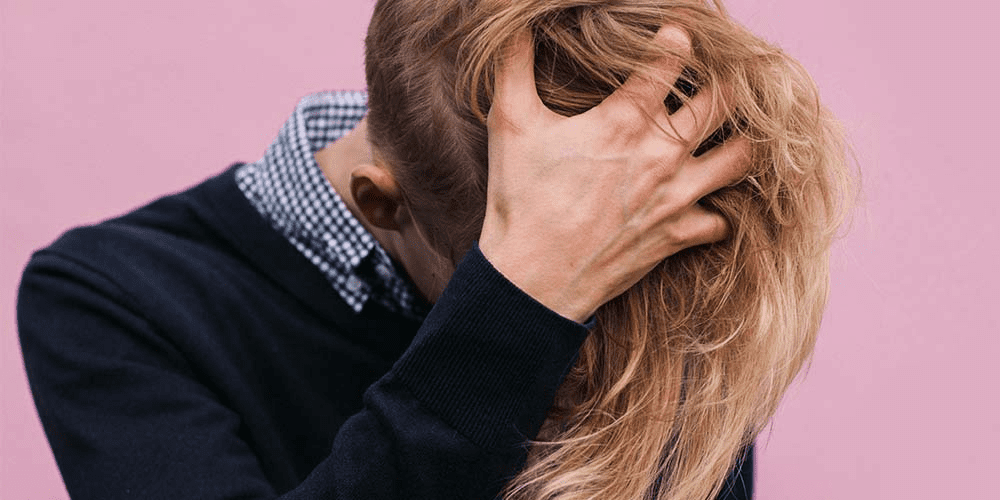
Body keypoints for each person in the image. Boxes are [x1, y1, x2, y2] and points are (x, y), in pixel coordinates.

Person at [17, 1, 850, 499]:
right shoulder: (108, 299)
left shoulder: (661, 225)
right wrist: (519, 307)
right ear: (381, 205)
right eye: (570, 273)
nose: (587, 358)